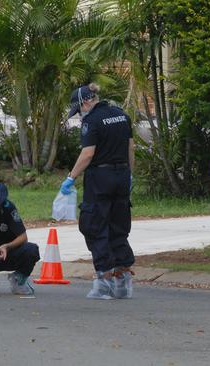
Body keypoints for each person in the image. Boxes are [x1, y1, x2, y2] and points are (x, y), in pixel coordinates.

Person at [60, 83, 135, 300]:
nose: (80, 114)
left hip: (100, 179)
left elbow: (87, 154)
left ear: (85, 102)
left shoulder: (92, 121)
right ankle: (123, 281)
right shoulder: (121, 115)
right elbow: (131, 148)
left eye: (79, 109)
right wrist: (130, 174)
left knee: (94, 225)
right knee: (118, 225)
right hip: (121, 176)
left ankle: (104, 279)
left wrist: (70, 178)